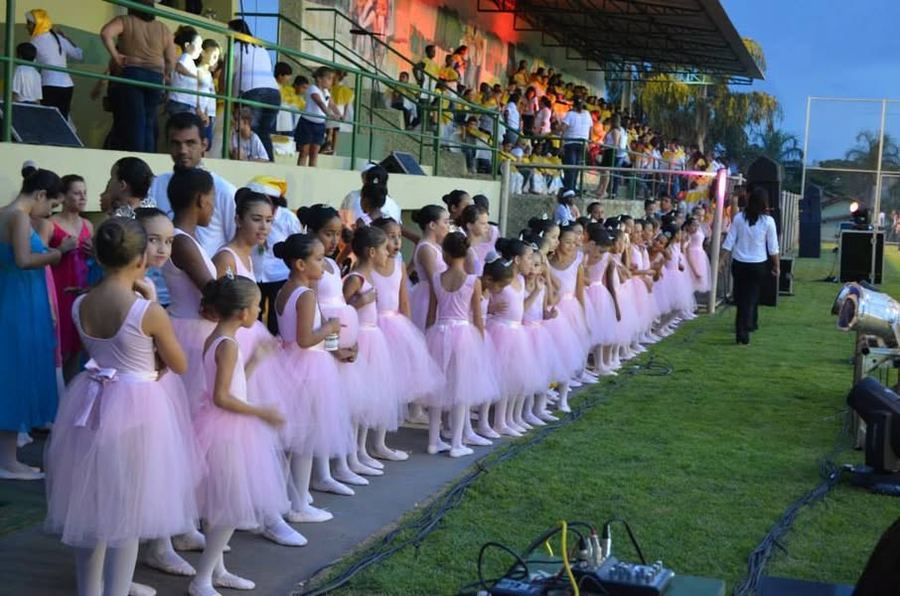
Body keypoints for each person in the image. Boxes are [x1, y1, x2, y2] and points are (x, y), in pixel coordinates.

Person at [44, 217, 198, 596]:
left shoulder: (81, 302)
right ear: (142, 257)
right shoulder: (147, 310)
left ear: (99, 253)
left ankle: (89, 591)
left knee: (92, 503)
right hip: (139, 409)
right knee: (127, 510)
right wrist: (148, 302)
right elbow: (179, 364)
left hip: (91, 403)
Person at [190, 276, 289, 595]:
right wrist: (262, 412)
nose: (260, 311)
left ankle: (217, 570)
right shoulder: (228, 344)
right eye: (258, 306)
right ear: (243, 312)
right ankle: (202, 578)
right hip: (226, 430)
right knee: (229, 506)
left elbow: (233, 384)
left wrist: (256, 361)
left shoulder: (218, 339)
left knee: (219, 502)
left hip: (219, 425)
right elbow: (222, 396)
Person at [273, 233, 354, 521]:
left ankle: (289, 497)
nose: (324, 265)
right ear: (300, 264)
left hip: (290, 365)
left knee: (292, 438)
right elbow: (305, 338)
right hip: (307, 367)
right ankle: (299, 504)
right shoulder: (306, 295)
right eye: (318, 260)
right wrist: (331, 326)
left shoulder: (286, 290)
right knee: (305, 438)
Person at [0, 169, 66, 480]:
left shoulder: (5, 213)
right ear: (40, 195)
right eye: (51, 206)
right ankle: (8, 459)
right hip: (18, 304)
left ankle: (8, 456)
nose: (49, 213)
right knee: (14, 378)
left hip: (13, 299)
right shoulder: (19, 217)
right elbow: (24, 260)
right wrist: (54, 255)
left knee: (9, 375)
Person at [369, 217, 443, 445]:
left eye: (398, 236)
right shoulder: (367, 268)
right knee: (373, 385)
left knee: (391, 385)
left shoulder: (399, 265)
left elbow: (404, 302)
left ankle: (380, 442)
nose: (397, 242)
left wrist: (409, 334)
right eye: (391, 237)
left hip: (395, 328)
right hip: (373, 329)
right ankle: (365, 442)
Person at [424, 231, 496, 457]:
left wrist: (427, 338)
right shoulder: (473, 281)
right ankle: (456, 443)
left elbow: (431, 314)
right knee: (461, 387)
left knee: (437, 387)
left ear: (444, 254)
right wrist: (481, 343)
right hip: (464, 334)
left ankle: (433, 441)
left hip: (439, 332)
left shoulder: (436, 278)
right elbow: (477, 317)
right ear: (465, 254)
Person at [343, 227, 407, 469]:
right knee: (357, 401)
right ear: (371, 252)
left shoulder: (368, 278)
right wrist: (359, 301)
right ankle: (351, 455)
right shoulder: (355, 278)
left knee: (367, 400)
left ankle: (360, 451)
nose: (388, 251)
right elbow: (342, 307)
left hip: (373, 337)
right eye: (383, 248)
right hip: (361, 338)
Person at [148, 112, 237, 256]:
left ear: (204, 145)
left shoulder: (223, 190)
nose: (183, 151)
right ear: (168, 145)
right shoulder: (157, 185)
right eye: (176, 143)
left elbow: (235, 245)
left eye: (190, 143)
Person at [100, 0, 175, 153]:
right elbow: (171, 59)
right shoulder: (163, 28)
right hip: (155, 77)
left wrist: (116, 56)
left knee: (135, 121)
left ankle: (136, 160)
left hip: (132, 73)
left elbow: (105, 33)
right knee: (148, 120)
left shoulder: (126, 21)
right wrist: (166, 77)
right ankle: (147, 159)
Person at [721, 187, 779, 345]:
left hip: (739, 263)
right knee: (751, 297)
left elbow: (730, 241)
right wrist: (776, 266)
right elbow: (773, 247)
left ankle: (744, 327)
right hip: (758, 264)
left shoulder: (739, 218)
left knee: (741, 297)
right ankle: (747, 326)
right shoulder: (768, 221)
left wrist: (721, 260)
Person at [48, 175, 93, 380]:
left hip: (82, 289)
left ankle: (72, 391)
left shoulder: (87, 225)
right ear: (63, 197)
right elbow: (41, 260)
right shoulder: (50, 224)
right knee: (59, 344)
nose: (82, 197)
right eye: (76, 193)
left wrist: (93, 252)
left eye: (84, 193)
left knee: (78, 344)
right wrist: (61, 249)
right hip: (59, 290)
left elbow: (94, 261)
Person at [228, 19, 281, 162]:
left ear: (236, 32)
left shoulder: (235, 47)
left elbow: (226, 77)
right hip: (274, 93)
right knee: (263, 133)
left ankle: (257, 167)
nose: (227, 36)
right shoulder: (261, 48)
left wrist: (228, 96)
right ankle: (269, 165)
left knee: (251, 132)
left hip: (252, 92)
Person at [26, 9, 83, 120]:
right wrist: (67, 38)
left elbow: (29, 65)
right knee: (62, 121)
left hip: (50, 84)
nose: (26, 26)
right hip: (67, 86)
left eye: (29, 23)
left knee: (48, 121)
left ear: (38, 23)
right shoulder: (59, 38)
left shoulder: (35, 41)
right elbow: (79, 55)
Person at [409, 205, 450, 330]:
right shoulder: (426, 248)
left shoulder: (436, 246)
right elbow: (434, 279)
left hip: (438, 293)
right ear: (432, 225)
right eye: (445, 222)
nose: (448, 226)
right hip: (429, 297)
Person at [296, 67, 339, 167]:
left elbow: (332, 104)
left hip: (319, 125)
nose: (331, 82)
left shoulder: (326, 92)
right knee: (304, 151)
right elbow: (319, 102)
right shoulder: (313, 89)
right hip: (307, 123)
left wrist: (340, 115)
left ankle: (311, 173)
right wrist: (329, 114)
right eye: (329, 78)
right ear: (319, 79)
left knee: (314, 152)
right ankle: (300, 170)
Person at [166, 26, 203, 116]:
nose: (201, 49)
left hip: (182, 101)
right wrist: (195, 77)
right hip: (181, 102)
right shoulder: (186, 57)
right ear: (187, 45)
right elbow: (179, 67)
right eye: (198, 46)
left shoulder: (186, 59)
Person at [559, 97, 592, 191]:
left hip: (571, 143)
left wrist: (561, 144)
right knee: (576, 166)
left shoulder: (570, 114)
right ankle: (571, 187)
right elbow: (591, 129)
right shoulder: (587, 114)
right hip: (582, 143)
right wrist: (589, 142)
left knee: (571, 166)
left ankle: (570, 188)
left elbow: (563, 129)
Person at [196, 39, 220, 149]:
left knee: (206, 145)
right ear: (203, 52)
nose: (216, 59)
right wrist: (201, 112)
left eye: (217, 57)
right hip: (201, 114)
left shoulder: (209, 74)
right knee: (200, 143)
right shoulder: (197, 71)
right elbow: (196, 93)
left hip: (209, 114)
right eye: (214, 55)